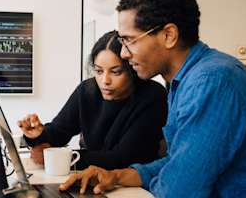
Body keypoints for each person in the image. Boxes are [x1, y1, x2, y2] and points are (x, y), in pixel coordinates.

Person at [59, 0, 246, 197]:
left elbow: (179, 190)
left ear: (169, 35)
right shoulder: (186, 80)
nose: (125, 54)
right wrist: (116, 176)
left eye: (129, 41)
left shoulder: (212, 82)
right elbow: (177, 162)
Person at [18, 30, 168, 170]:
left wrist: (61, 158)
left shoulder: (153, 96)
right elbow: (59, 131)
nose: (105, 80)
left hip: (136, 185)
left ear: (132, 70)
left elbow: (123, 158)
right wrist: (38, 135)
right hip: (95, 178)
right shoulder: (87, 90)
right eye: (98, 71)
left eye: (116, 72)